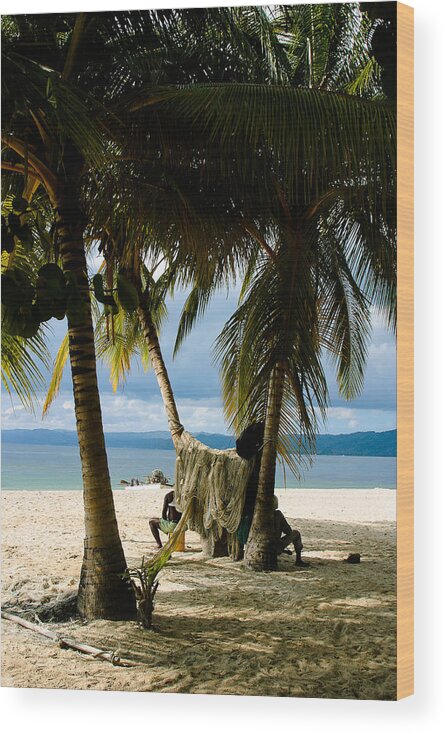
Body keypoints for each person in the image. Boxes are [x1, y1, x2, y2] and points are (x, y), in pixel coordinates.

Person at [273, 495, 309, 567]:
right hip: (275, 546)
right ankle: (298, 560)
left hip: (257, 546)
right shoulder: (277, 514)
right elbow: (288, 531)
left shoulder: (257, 514)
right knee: (296, 533)